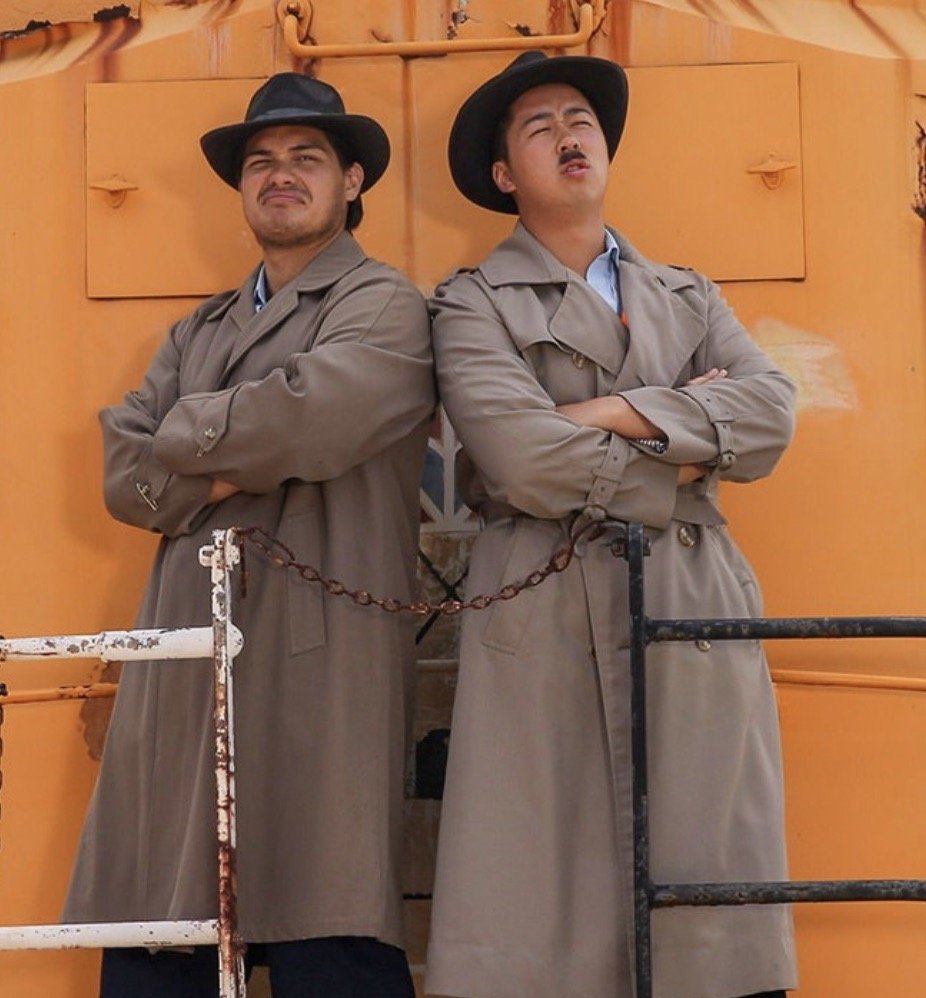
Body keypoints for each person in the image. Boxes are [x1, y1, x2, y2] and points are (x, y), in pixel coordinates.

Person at [425, 52, 797, 998]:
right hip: (544, 601)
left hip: (691, 595)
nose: (568, 134)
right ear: (506, 174)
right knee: (543, 890)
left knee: (710, 866)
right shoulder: (470, 301)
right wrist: (682, 427)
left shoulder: (688, 291)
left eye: (581, 117)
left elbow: (771, 418)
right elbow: (515, 458)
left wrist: (601, 415)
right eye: (538, 125)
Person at [63, 72, 435, 997]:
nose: (280, 175)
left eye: (307, 158)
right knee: (167, 915)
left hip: (322, 654)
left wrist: (185, 447)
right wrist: (240, 450)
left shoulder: (386, 306)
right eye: (261, 161)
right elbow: (120, 474)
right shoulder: (202, 327)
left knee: (329, 912)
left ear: (353, 182)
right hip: (188, 659)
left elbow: (318, 415)